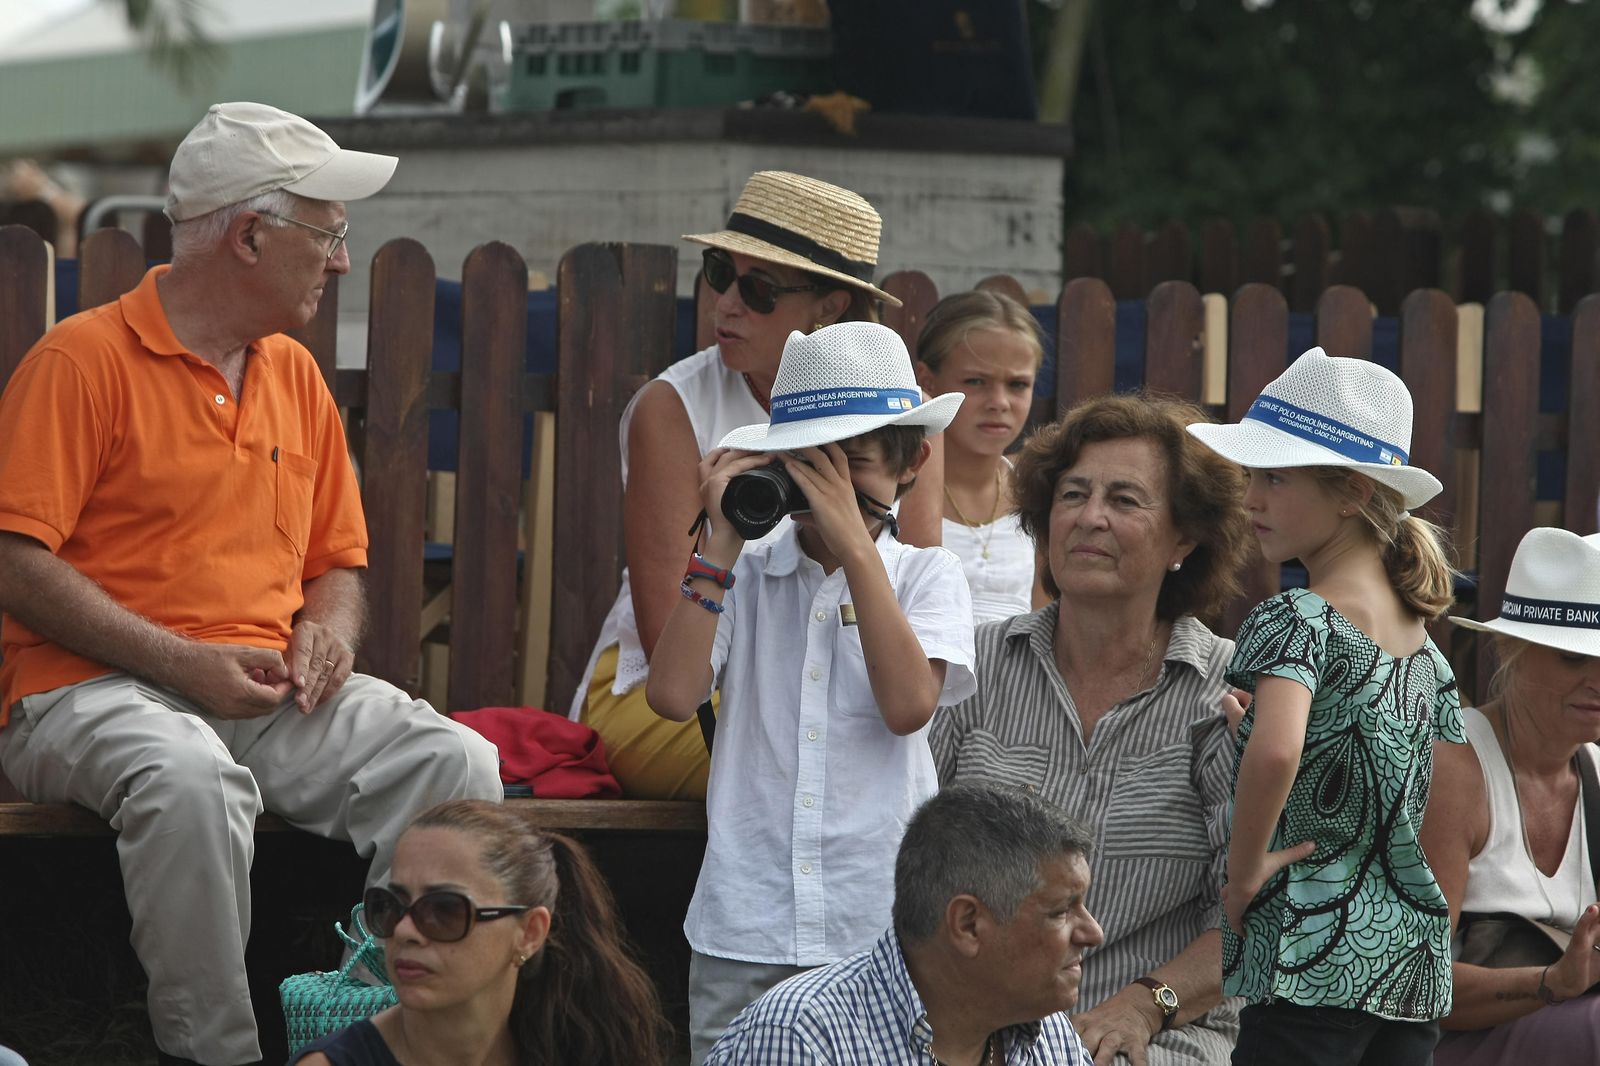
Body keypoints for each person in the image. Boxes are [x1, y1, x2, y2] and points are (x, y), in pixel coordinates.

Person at [0, 102, 502, 1066]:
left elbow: (338, 564)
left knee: (458, 767)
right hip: (85, 691)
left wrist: (331, 629)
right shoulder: (81, 361)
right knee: (192, 782)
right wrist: (179, 662)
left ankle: (370, 1040)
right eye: (328, 233)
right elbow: (15, 563)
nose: (342, 260)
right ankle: (216, 1058)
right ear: (248, 235)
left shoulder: (295, 376)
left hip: (264, 694)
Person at [646, 321, 978, 1062]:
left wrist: (858, 549)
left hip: (877, 927)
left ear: (911, 462)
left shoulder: (927, 577)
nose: (826, 488)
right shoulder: (749, 576)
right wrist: (720, 544)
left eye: (851, 463)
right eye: (805, 467)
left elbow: (907, 708)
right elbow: (671, 695)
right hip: (746, 922)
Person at [568, 169, 945, 800]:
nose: (726, 303)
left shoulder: (900, 418)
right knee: (817, 757)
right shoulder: (673, 407)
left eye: (759, 288)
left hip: (852, 673)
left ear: (830, 304)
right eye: (719, 272)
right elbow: (666, 637)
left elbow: (914, 598)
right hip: (684, 683)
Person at [932, 392, 1255, 1066]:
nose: (1090, 518)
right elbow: (903, 866)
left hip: (1154, 1038)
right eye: (1072, 494)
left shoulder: (1224, 692)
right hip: (972, 1036)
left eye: (1125, 500)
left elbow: (1255, 913)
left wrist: (1147, 1003)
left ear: (1184, 539)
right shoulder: (973, 666)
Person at [1186, 347, 1462, 1065]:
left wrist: (1244, 873)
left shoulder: (1299, 617)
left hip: (1312, 959)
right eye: (1252, 477)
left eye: (1274, 479)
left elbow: (1277, 752)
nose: (1251, 500)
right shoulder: (1422, 645)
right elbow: (1378, 770)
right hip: (1407, 963)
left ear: (1352, 493)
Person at [705, 785, 1102, 1065]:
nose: (1093, 933)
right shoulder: (803, 1039)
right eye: (1062, 911)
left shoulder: (1050, 1038)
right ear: (968, 924)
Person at [292, 799, 670, 1066]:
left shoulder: (577, 1049)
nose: (405, 931)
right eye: (390, 906)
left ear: (529, 933)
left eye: (444, 910)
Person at [1422, 527, 1600, 1064]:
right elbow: (1411, 985)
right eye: (1574, 658)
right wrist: (1550, 981)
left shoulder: (1594, 766)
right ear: (1511, 649)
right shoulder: (1455, 766)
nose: (1598, 678)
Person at [914, 289, 1048, 624]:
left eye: (1017, 385)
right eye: (976, 381)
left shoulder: (1038, 491)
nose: (999, 402)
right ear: (927, 380)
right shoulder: (895, 489)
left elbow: (1048, 618)